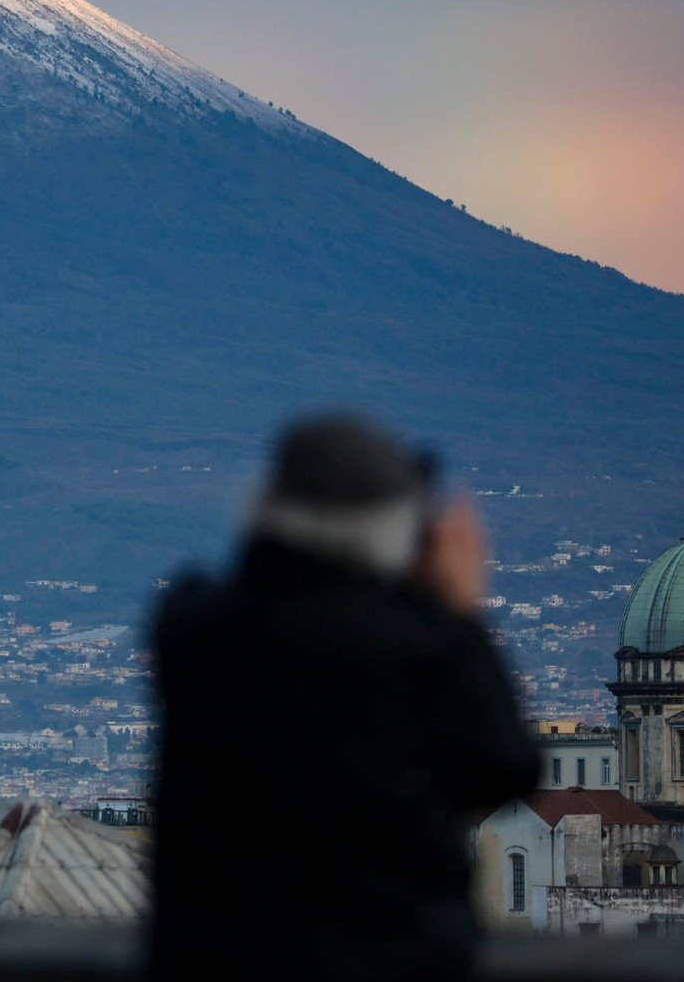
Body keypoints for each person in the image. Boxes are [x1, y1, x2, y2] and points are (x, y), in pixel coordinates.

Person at [149, 415, 537, 981]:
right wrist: (461, 609)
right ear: (394, 532)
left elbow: (247, 583)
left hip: (217, 962)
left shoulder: (189, 629)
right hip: (391, 958)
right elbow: (507, 768)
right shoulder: (417, 649)